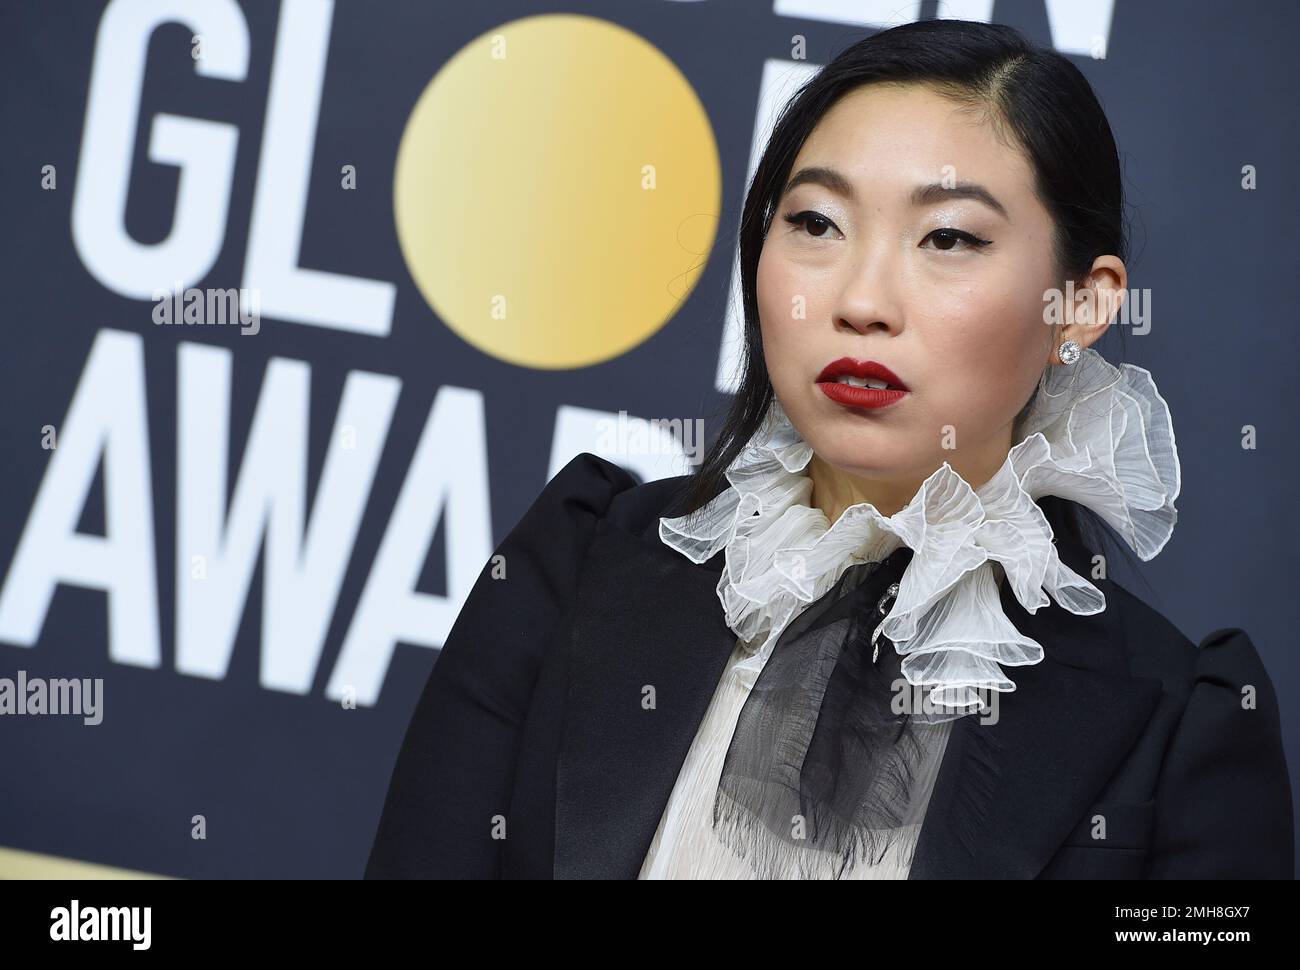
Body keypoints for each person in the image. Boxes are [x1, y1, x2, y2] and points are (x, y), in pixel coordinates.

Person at [364, 19, 1294, 879]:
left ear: (1082, 304)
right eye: (815, 223)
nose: (861, 299)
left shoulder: (1178, 731)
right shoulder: (577, 565)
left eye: (949, 237)